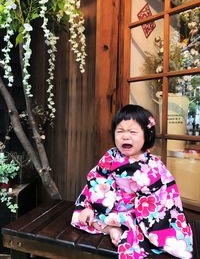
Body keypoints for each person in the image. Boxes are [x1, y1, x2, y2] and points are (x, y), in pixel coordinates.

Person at [71, 104, 193, 259]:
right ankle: (111, 229)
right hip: (111, 207)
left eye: (133, 132)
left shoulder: (153, 164)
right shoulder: (110, 156)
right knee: (80, 216)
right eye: (120, 131)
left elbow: (166, 192)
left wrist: (143, 206)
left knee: (155, 218)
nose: (125, 136)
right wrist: (89, 206)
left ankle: (167, 240)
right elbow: (97, 180)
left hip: (139, 211)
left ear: (146, 135)